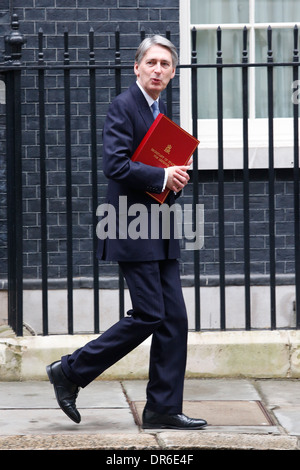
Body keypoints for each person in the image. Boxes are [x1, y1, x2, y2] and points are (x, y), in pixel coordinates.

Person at [46, 35, 207, 430]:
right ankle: (70, 371)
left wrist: (174, 179)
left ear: (172, 73)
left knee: (174, 320)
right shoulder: (124, 106)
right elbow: (115, 166)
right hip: (130, 227)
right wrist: (162, 174)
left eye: (164, 65)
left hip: (160, 227)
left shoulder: (159, 108)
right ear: (137, 67)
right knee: (151, 313)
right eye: (151, 62)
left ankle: (162, 408)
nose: (157, 70)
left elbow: (155, 166)